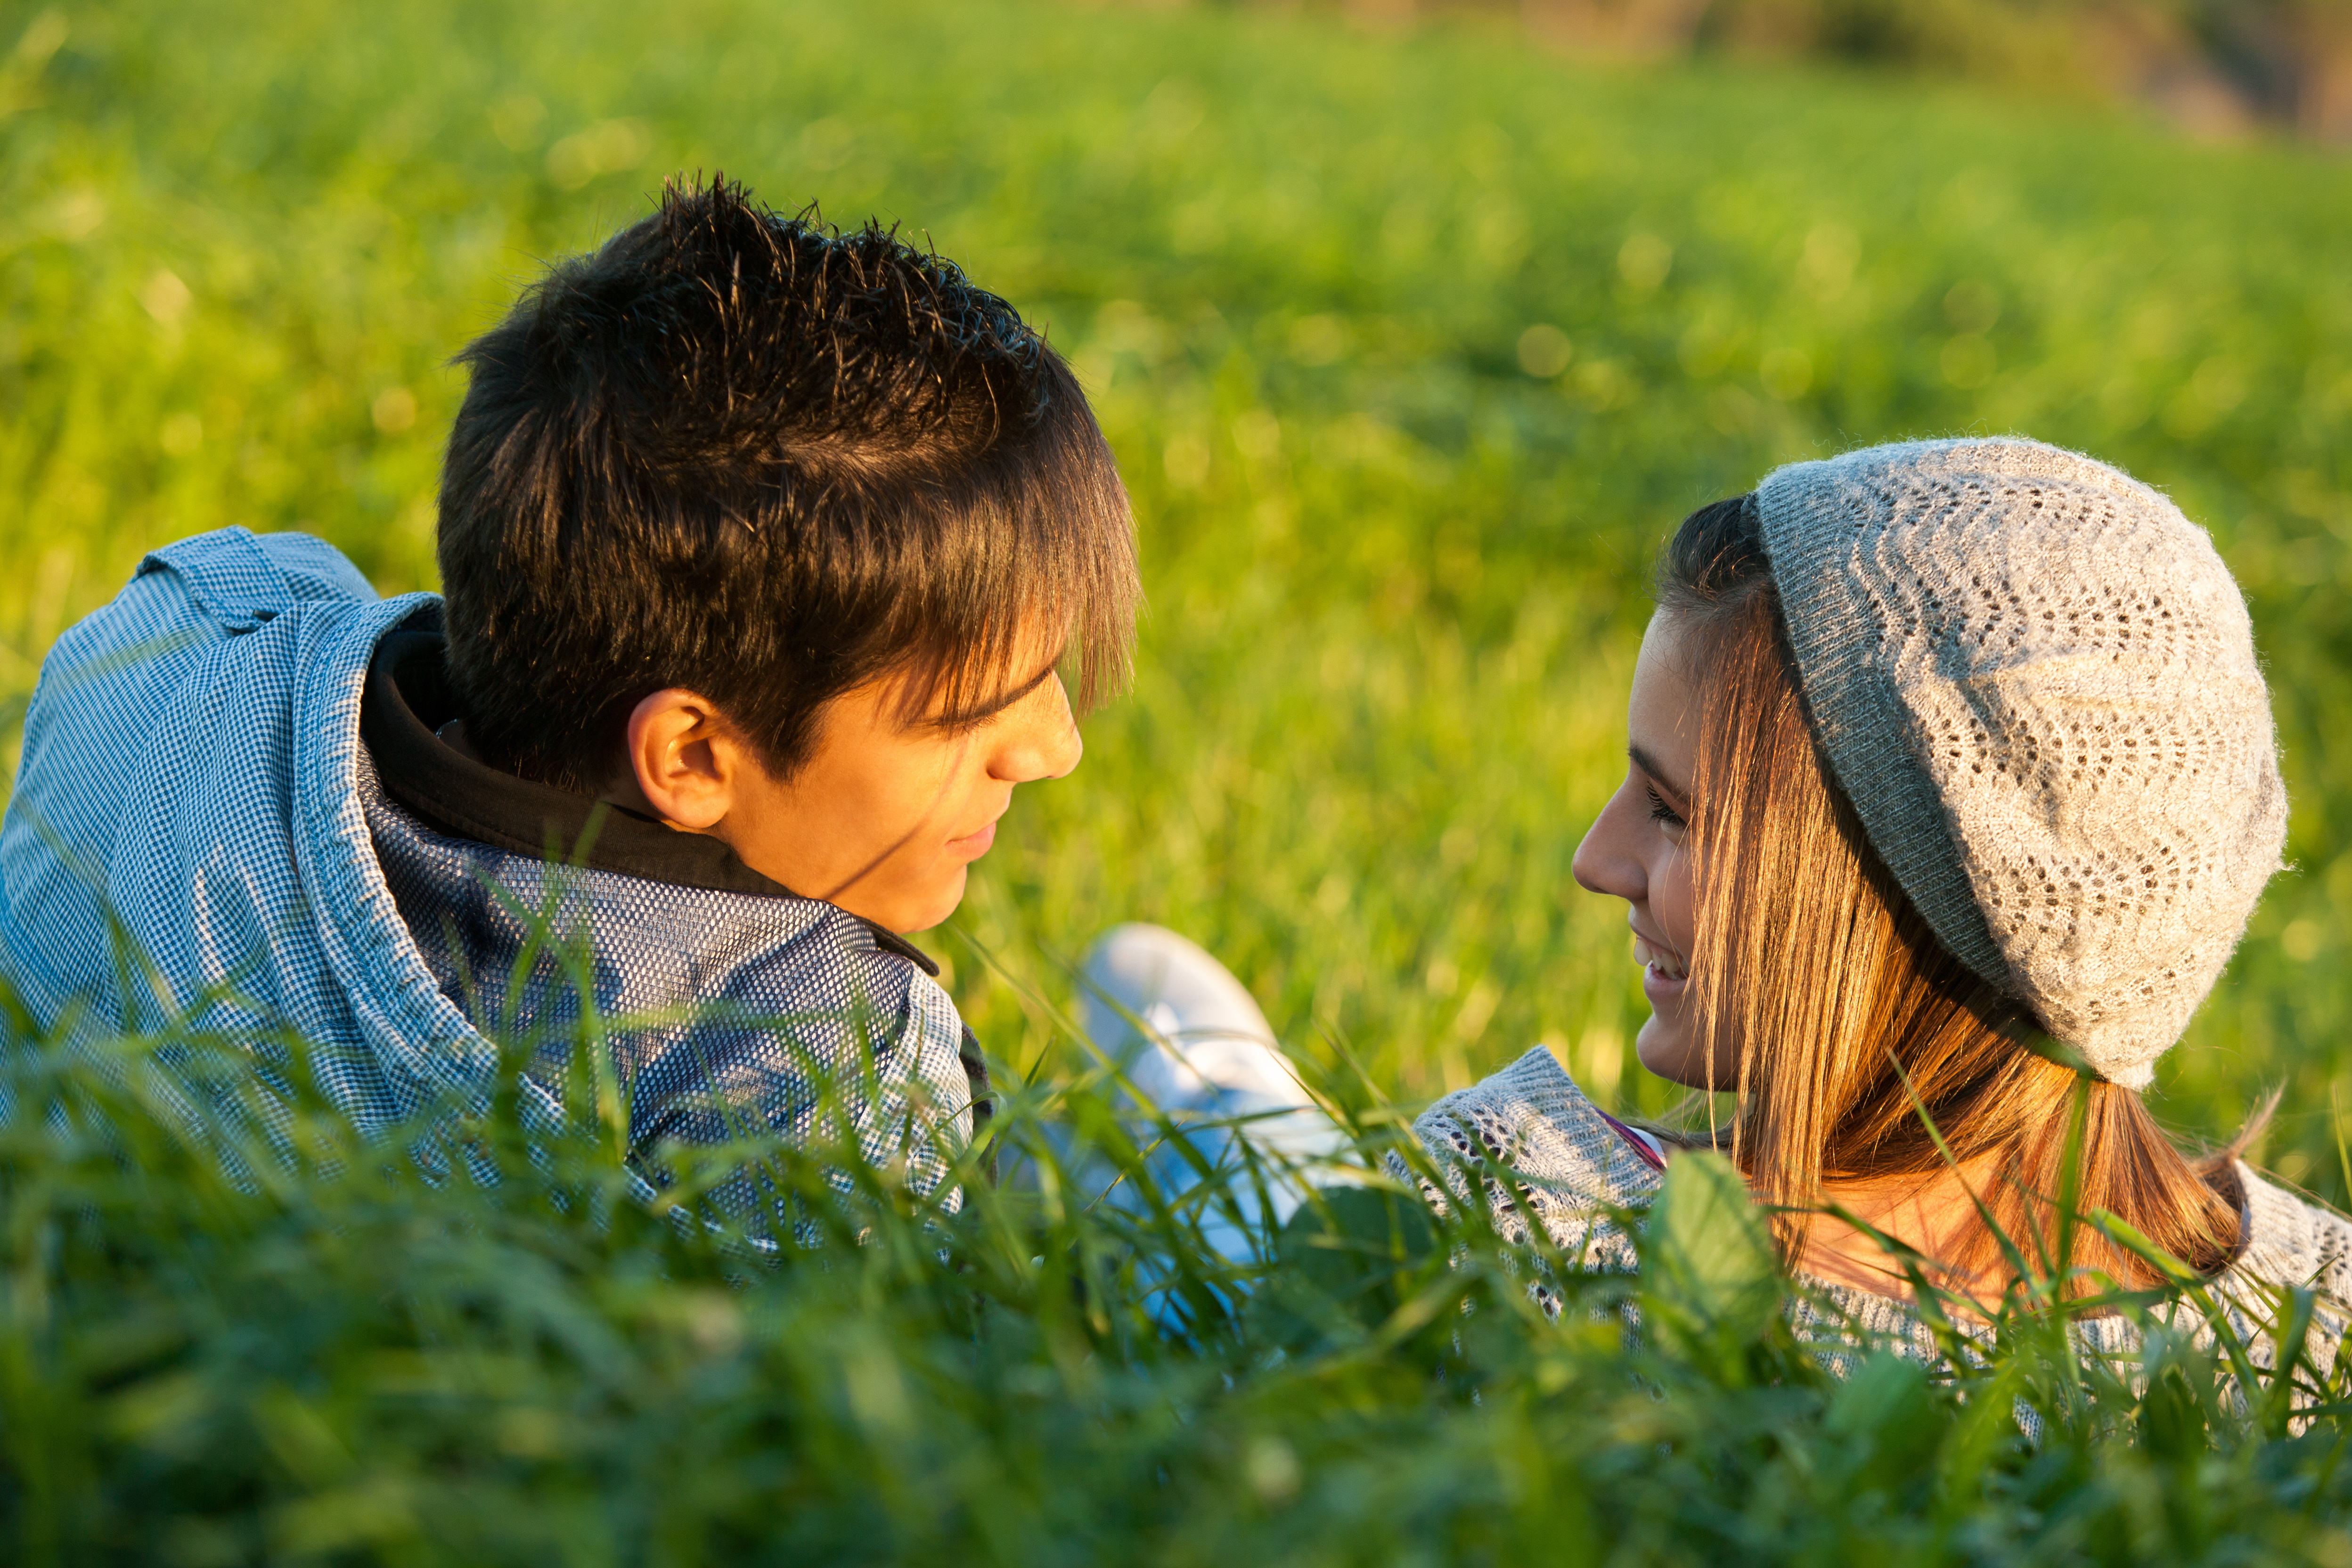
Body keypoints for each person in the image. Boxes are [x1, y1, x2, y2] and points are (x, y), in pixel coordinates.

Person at [0, 179, 1138, 1212]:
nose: (1053, 747)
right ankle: (1244, 1161)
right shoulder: (806, 1072)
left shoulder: (189, 645)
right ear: (691, 757)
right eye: (971, 710)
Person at [1092, 437, 2352, 1366]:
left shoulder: (1524, 1232)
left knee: (1253, 1171)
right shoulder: (2317, 1329)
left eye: (1678, 811)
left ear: (1901, 897)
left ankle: (1211, 1083)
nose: (1595, 859)